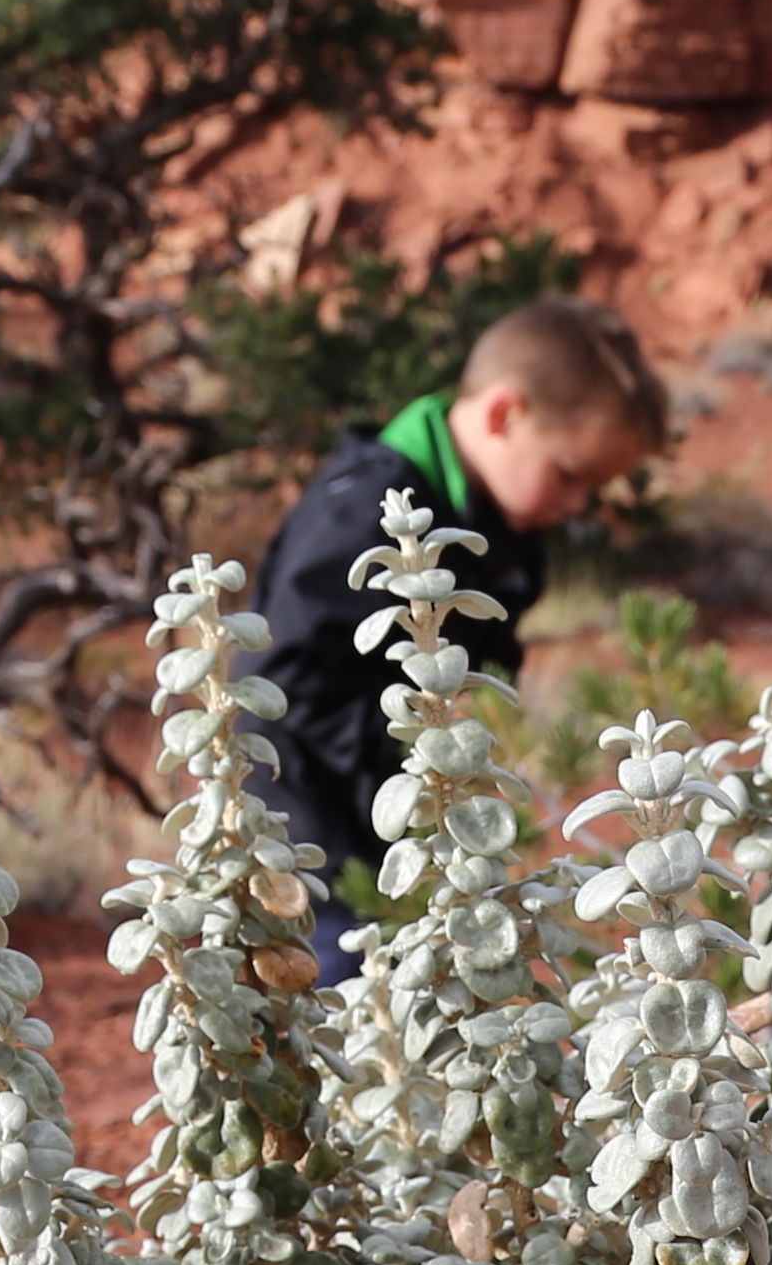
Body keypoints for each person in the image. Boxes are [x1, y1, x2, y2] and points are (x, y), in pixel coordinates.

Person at [245, 293, 667, 964]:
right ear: (504, 414)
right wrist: (417, 748)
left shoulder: (502, 523)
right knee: (350, 998)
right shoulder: (360, 513)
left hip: (415, 830)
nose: (576, 505)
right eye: (569, 475)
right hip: (315, 839)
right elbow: (283, 676)